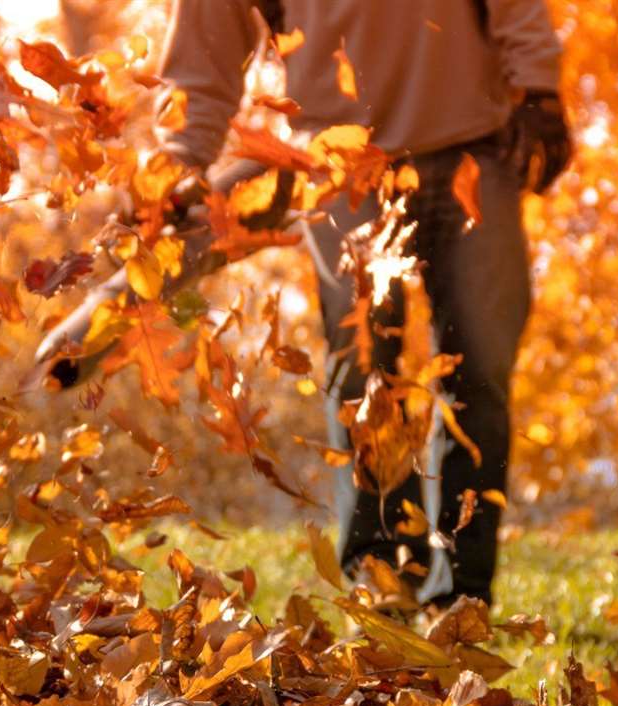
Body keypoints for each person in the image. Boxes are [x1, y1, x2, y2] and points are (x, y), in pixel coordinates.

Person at [156, 0, 570, 611]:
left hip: (475, 149)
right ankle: (381, 579)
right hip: (338, 164)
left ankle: (462, 598)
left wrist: (539, 88)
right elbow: (204, 46)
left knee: (480, 374)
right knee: (365, 373)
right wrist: (179, 162)